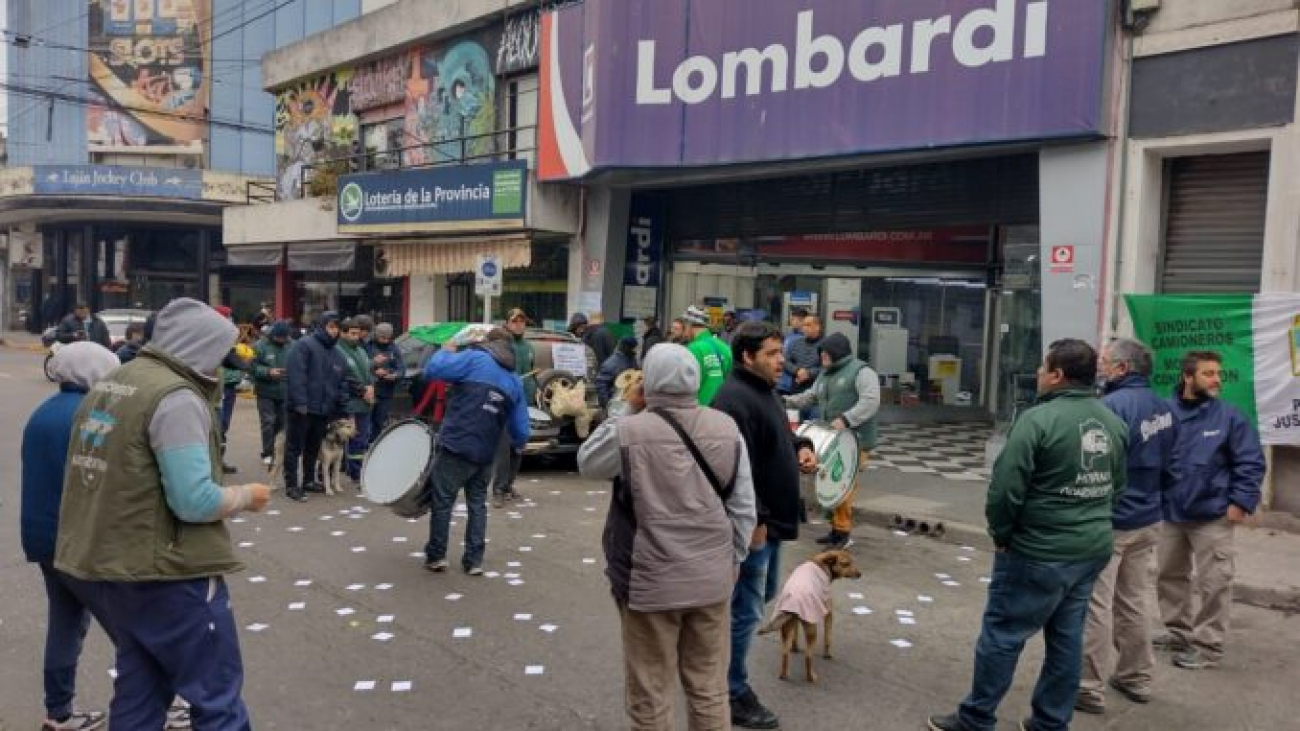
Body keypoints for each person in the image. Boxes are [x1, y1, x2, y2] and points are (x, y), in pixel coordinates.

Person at [54, 298, 271, 728]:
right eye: (218, 351)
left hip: (110, 567)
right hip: (169, 574)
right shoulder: (176, 398)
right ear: (198, 348)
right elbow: (195, 502)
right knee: (216, 699)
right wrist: (248, 495)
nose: (222, 364)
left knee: (141, 692)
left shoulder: (116, 380)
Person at [927, 339, 1127, 731]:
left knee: (1002, 636)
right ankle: (1051, 723)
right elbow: (1117, 487)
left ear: (1057, 375)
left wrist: (1002, 534)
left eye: (1042, 367)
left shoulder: (1037, 420)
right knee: (1067, 639)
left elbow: (1005, 490)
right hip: (1090, 549)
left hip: (1037, 550)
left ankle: (976, 718)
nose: (1037, 374)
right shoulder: (1112, 422)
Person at [578, 343, 758, 731]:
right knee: (708, 686)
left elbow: (588, 463)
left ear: (648, 380)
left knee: (650, 692)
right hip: (711, 581)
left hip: (649, 584)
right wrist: (734, 562)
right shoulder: (727, 429)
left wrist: (626, 406)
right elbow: (743, 508)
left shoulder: (629, 431)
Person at [711, 320, 818, 730]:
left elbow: (778, 438)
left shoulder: (764, 391)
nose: (782, 362)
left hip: (771, 523)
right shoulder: (733, 401)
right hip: (755, 528)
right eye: (772, 354)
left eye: (780, 352)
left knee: (759, 599)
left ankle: (719, 675)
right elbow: (734, 469)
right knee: (745, 610)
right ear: (747, 356)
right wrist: (754, 519)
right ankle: (732, 691)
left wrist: (802, 448)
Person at [1076, 338, 1180, 714]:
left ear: (1121, 369)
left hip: (1115, 519)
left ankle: (1088, 687)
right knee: (1134, 600)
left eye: (1105, 362)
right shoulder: (1164, 408)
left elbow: (1098, 467)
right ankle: (1136, 677)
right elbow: (1172, 463)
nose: (1099, 367)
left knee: (1096, 605)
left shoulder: (1111, 407)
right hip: (1149, 516)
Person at [22, 342, 120, 731]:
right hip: (79, 540)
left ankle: (58, 712)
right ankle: (159, 704)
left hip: (43, 539)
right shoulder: (92, 416)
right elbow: (104, 480)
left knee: (65, 624)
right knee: (132, 626)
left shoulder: (42, 413)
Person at [1155, 350, 1265, 670]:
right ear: (1187, 377)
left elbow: (1251, 462)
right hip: (1171, 512)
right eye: (1209, 374)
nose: (1217, 380)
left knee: (1215, 581)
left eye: (1218, 373)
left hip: (1213, 513)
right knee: (1169, 576)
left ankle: (1207, 645)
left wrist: (1240, 503)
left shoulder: (1230, 417)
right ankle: (1177, 633)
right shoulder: (1164, 413)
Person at [422, 328, 529, 575]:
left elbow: (433, 371)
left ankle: (437, 555)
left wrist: (445, 350)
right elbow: (521, 428)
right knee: (477, 503)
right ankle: (474, 560)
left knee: (443, 500)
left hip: (457, 443)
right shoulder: (514, 379)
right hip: (487, 449)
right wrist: (519, 443)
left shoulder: (475, 358)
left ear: (488, 342)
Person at [782, 332, 880, 549]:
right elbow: (810, 396)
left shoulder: (862, 371)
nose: (822, 357)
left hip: (857, 441)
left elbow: (871, 402)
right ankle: (837, 530)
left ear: (837, 352)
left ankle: (842, 532)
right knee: (833, 484)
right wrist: (785, 402)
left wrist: (846, 419)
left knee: (842, 485)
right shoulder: (826, 374)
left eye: (825, 353)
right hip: (836, 440)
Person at [283, 311, 352, 502]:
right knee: (294, 447)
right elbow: (296, 376)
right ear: (321, 326)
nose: (334, 331)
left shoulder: (338, 354)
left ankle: (308, 480)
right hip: (302, 408)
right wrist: (300, 403)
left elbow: (342, 382)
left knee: (313, 447)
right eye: (330, 326)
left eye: (337, 327)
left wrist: (342, 407)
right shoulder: (304, 346)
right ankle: (291, 485)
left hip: (324, 410)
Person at [490, 309, 536, 508]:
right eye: (514, 321)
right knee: (503, 447)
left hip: (524, 403)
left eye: (522, 321)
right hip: (505, 402)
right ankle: (498, 489)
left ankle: (508, 485)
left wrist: (537, 391)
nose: (518, 324)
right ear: (507, 324)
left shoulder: (528, 347)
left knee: (519, 445)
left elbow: (531, 373)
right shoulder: (503, 346)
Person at [337, 319, 376, 483]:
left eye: (358, 333)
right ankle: (354, 471)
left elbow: (368, 371)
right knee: (351, 437)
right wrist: (362, 390)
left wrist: (372, 386)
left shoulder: (361, 350)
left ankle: (356, 470)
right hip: (350, 402)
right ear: (343, 333)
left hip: (365, 402)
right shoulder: (338, 350)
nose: (356, 337)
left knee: (363, 437)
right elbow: (344, 377)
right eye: (352, 333)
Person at [251, 320, 292, 467]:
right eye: (279, 337)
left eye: (284, 337)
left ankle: (279, 451)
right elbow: (251, 367)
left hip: (284, 391)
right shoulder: (259, 346)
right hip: (265, 391)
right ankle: (267, 453)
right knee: (268, 422)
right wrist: (268, 372)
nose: (282, 340)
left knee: (282, 424)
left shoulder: (292, 345)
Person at [215, 305, 248, 475]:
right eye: (228, 317)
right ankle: (213, 463)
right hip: (215, 388)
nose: (231, 320)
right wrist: (244, 365)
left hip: (228, 385)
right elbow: (231, 359)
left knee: (223, 424)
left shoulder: (228, 336)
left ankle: (220, 460)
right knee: (216, 425)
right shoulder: (214, 337)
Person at [684, 305, 733, 405]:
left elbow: (686, 385)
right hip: (722, 410)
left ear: (689, 325)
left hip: (699, 411)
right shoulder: (725, 348)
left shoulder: (693, 349)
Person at [368, 322, 402, 436]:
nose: (385, 341)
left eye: (388, 338)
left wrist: (394, 375)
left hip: (386, 391)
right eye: (382, 338)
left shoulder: (394, 348)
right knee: (367, 422)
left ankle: (374, 443)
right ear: (376, 335)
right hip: (370, 390)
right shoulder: (368, 346)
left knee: (379, 421)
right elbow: (361, 367)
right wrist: (374, 371)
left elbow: (401, 368)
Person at [783, 315, 823, 410]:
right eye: (804, 325)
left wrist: (809, 373)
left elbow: (828, 368)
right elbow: (785, 361)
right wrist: (797, 371)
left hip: (816, 394)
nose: (804, 328)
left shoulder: (826, 344)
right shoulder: (795, 343)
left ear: (817, 327)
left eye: (808, 325)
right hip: (796, 391)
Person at [595, 336, 639, 407]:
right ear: (626, 348)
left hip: (629, 401)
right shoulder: (611, 364)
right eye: (632, 348)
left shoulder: (631, 359)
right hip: (617, 403)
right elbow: (601, 385)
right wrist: (607, 405)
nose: (634, 351)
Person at [777, 307, 809, 395]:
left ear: (801, 320)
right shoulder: (789, 336)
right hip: (781, 381)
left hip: (794, 383)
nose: (791, 321)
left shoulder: (805, 339)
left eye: (793, 319)